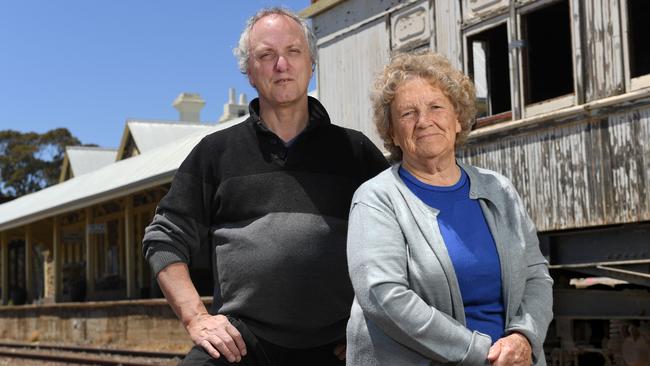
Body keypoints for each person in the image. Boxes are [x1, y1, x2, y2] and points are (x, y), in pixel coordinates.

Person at [142, 7, 388, 366]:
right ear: (250, 72)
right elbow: (163, 239)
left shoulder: (356, 152)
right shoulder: (215, 153)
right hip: (242, 345)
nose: (281, 65)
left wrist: (372, 328)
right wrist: (196, 318)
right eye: (266, 55)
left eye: (293, 51)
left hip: (337, 346)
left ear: (311, 63)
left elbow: (399, 242)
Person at [345, 52, 553, 365]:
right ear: (391, 132)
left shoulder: (498, 189)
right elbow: (384, 296)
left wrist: (524, 337)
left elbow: (536, 275)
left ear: (458, 119)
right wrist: (482, 353)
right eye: (408, 113)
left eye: (436, 107)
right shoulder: (376, 198)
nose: (424, 121)